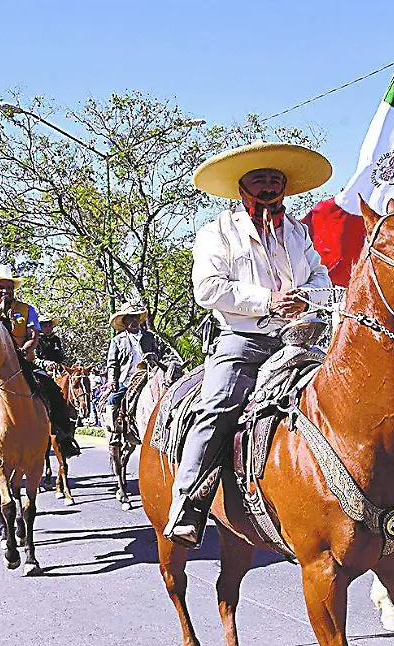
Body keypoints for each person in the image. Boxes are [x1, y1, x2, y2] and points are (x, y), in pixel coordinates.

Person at [165, 141, 333, 547]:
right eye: (259, 178)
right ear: (242, 187)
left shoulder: (298, 234)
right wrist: (267, 300)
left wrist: (306, 298)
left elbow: (322, 279)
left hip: (300, 336)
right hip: (244, 338)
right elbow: (207, 288)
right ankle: (187, 503)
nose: (269, 184)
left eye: (275, 178)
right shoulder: (217, 232)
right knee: (217, 406)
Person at [0, 264, 76, 461]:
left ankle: (63, 435)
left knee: (50, 386)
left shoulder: (27, 310)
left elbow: (33, 336)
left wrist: (23, 351)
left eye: (9, 287)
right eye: (0, 288)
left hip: (24, 364)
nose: (5, 291)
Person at [104, 303, 184, 454]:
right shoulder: (117, 341)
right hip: (128, 379)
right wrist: (113, 380)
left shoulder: (151, 337)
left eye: (136, 317)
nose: (133, 321)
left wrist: (168, 362)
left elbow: (167, 353)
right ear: (124, 322)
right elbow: (112, 364)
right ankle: (116, 433)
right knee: (113, 400)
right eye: (130, 318)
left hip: (152, 375)